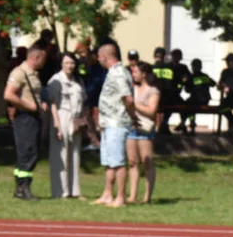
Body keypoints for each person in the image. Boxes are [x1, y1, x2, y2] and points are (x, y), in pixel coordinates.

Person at [3, 40, 48, 200]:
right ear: (35, 58)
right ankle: (24, 188)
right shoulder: (19, 73)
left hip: (33, 118)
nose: (45, 61)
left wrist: (40, 104)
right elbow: (8, 95)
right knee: (27, 153)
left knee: (30, 153)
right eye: (43, 58)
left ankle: (20, 188)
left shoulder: (33, 73)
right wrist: (28, 105)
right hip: (25, 119)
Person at [93, 41, 135, 208]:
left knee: (117, 161)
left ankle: (120, 198)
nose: (98, 60)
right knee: (109, 161)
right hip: (109, 123)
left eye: (99, 57)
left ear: (104, 57)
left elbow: (128, 98)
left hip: (117, 122)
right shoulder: (112, 72)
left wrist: (133, 116)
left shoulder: (118, 73)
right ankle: (107, 194)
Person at [46, 52, 87, 199]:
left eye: (72, 63)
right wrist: (57, 124)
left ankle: (74, 191)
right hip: (61, 117)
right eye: (67, 63)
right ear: (61, 64)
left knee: (75, 154)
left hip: (75, 119)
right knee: (61, 156)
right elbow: (53, 105)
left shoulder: (79, 81)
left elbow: (84, 101)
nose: (70, 66)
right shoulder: (56, 81)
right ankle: (60, 192)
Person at [126, 61, 160, 204]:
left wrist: (135, 104)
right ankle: (132, 196)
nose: (133, 74)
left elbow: (152, 111)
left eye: (135, 72)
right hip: (131, 129)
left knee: (147, 162)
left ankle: (147, 197)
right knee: (133, 162)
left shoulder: (153, 91)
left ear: (144, 74)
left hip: (145, 130)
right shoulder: (132, 89)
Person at [181, 58, 214, 133]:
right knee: (188, 106)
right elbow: (213, 83)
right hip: (205, 101)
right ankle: (186, 124)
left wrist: (184, 82)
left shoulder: (192, 77)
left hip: (196, 100)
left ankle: (186, 124)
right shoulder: (205, 76)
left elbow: (187, 90)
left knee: (186, 106)